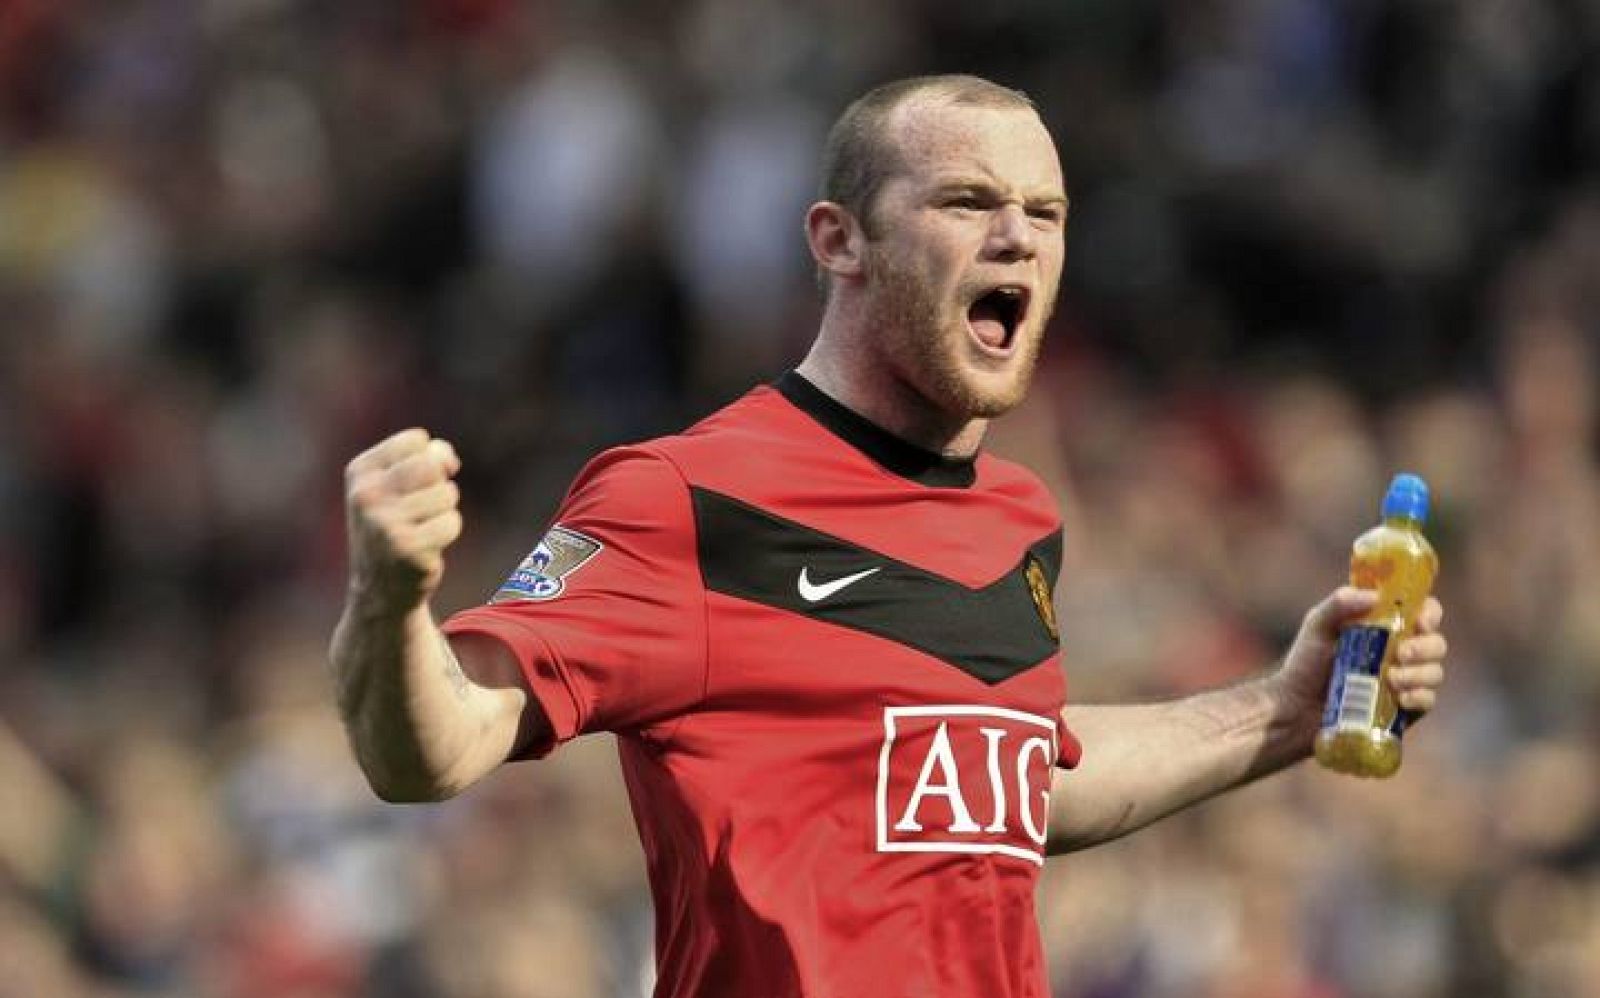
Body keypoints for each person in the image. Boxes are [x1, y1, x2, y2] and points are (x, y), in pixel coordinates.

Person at [330, 75, 1449, 997]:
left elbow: (1014, 778)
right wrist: (386, 603)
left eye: (1046, 214)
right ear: (839, 239)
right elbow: (433, 747)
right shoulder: (689, 495)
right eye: (966, 200)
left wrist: (1281, 709)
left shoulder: (1020, 519)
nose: (1017, 236)